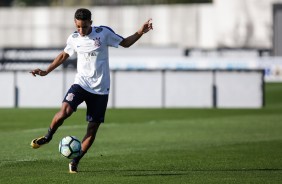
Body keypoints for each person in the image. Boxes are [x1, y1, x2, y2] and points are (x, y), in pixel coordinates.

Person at [30, 8, 153, 173]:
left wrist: (140, 32)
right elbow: (64, 55)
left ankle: (75, 161)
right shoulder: (73, 38)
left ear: (91, 23)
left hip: (101, 89)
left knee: (92, 128)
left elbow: (125, 43)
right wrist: (46, 71)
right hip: (81, 84)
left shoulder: (103, 33)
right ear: (75, 23)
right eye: (79, 27)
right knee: (65, 110)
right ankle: (48, 136)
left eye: (85, 27)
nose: (81, 30)